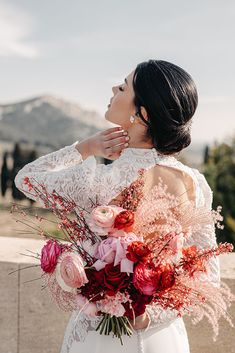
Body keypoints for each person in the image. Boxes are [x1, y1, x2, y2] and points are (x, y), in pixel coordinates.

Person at [14, 59, 220, 353]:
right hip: (160, 337)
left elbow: (26, 179)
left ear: (142, 113)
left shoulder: (98, 179)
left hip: (96, 334)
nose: (114, 88)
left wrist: (83, 149)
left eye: (123, 86)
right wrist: (147, 317)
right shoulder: (194, 183)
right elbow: (207, 276)